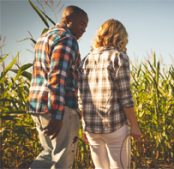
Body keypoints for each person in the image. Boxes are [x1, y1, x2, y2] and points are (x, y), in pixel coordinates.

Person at [28, 5, 88, 169]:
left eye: (86, 26)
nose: (83, 29)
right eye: (81, 23)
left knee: (49, 154)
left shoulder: (44, 38)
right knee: (62, 157)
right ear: (68, 20)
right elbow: (58, 76)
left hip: (37, 106)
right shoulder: (67, 39)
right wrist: (57, 112)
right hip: (57, 108)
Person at [78, 19, 142, 169]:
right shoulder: (118, 57)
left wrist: (83, 126)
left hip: (91, 127)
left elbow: (80, 97)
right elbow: (125, 97)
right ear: (120, 37)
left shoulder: (85, 60)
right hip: (115, 126)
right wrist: (134, 126)